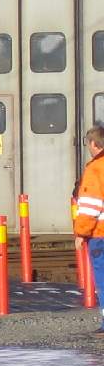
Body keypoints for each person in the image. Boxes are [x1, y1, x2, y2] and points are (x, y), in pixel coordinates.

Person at [73, 124, 104, 333]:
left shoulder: (95, 169)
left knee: (102, 278)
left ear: (94, 144)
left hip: (100, 234)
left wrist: (81, 232)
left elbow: (91, 205)